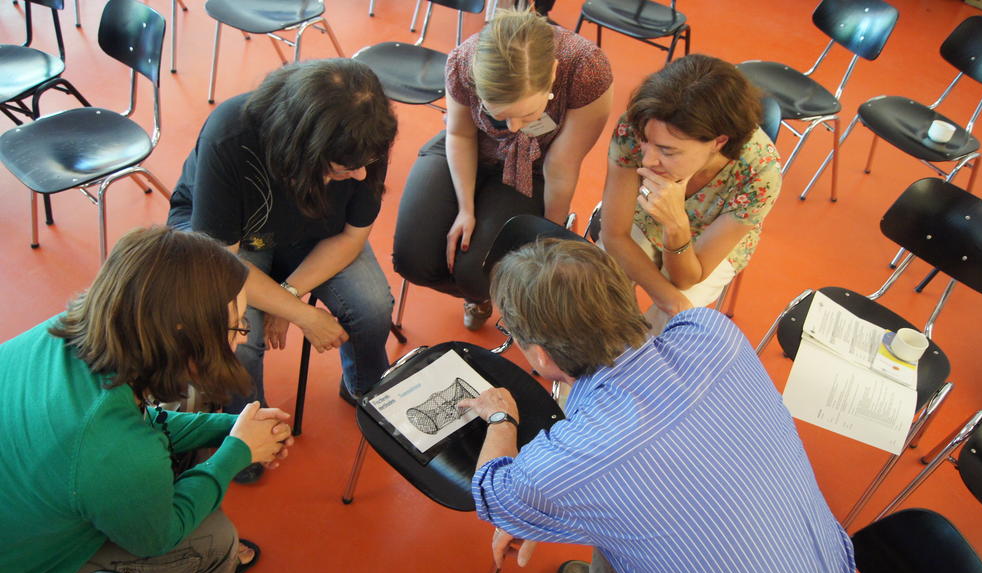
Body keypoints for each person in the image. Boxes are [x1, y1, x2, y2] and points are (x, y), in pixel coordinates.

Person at [461, 239, 856, 573]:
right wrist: (540, 501)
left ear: (539, 355)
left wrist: (501, 417)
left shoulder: (576, 455)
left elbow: (492, 494)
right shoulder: (712, 332)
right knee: (619, 501)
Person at [0, 227, 293, 573]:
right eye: (237, 326)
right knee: (212, 540)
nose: (240, 338)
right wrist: (237, 453)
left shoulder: (69, 335)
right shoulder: (113, 448)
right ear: (181, 333)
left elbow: (141, 421)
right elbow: (159, 535)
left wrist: (231, 428)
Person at [168, 59, 398, 480]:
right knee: (240, 339)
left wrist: (288, 294)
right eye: (345, 169)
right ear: (306, 150)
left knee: (372, 306)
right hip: (228, 245)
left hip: (313, 232)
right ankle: (242, 436)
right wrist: (303, 314)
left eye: (366, 163)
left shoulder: (364, 136)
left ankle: (365, 388)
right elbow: (221, 264)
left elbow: (351, 238)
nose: (362, 174)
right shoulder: (230, 136)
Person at [393, 8, 613, 330]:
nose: (513, 127)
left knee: (476, 275)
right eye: (500, 115)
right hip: (467, 147)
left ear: (553, 72)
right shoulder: (464, 62)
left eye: (528, 115)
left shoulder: (586, 70)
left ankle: (477, 295)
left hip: (533, 168)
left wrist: (549, 236)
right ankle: (475, 294)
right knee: (411, 260)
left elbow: (561, 164)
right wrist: (465, 209)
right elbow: (460, 134)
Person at [600, 54, 781, 332]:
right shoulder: (638, 125)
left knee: (668, 329)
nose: (647, 160)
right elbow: (614, 235)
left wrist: (676, 225)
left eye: (667, 151)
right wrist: (671, 301)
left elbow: (686, 279)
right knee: (597, 284)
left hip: (711, 243)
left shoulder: (760, 172)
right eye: (645, 142)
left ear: (718, 142)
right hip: (645, 215)